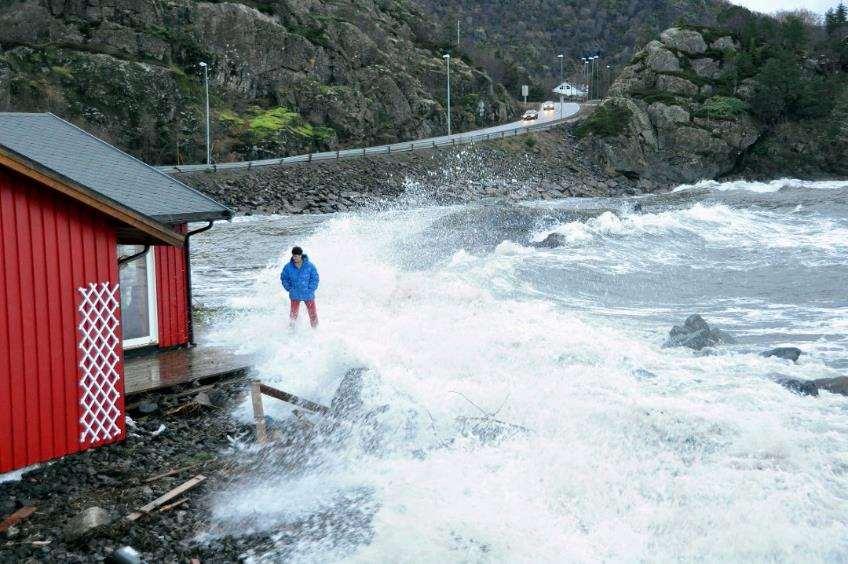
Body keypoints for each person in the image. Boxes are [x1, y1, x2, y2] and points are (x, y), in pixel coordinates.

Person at [280, 246, 320, 328]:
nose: (295, 258)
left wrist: (311, 288)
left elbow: (315, 277)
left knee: (313, 313)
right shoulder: (288, 267)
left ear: (300, 255)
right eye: (293, 256)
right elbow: (284, 278)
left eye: (296, 256)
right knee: (293, 314)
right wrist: (289, 288)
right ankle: (292, 330)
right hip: (295, 293)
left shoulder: (309, 266)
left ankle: (315, 329)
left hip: (308, 293)